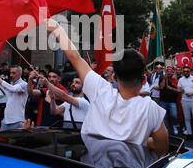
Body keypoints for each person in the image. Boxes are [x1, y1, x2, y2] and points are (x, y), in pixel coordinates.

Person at [47, 19, 168, 150]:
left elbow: (74, 57)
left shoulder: (100, 91)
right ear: (144, 80)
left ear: (114, 77)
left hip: (89, 167)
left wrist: (57, 29)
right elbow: (161, 147)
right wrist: (140, 142)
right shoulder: (152, 109)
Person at [0, 66, 28, 131]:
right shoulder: (11, 85)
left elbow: (12, 89)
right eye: (10, 73)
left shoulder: (24, 84)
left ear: (20, 74)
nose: (11, 75)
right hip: (6, 121)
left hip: (17, 121)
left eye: (13, 73)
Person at [177, 66, 193, 140]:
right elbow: (178, 89)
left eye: (187, 71)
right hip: (184, 100)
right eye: (184, 71)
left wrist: (192, 93)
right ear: (182, 72)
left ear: (190, 71)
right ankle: (189, 134)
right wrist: (180, 90)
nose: (185, 72)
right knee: (187, 118)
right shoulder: (181, 79)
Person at [160, 66, 179, 135]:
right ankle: (166, 129)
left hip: (172, 101)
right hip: (163, 100)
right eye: (167, 71)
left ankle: (174, 125)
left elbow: (178, 90)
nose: (169, 73)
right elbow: (161, 87)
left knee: (174, 115)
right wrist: (164, 79)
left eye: (170, 72)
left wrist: (171, 88)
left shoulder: (175, 80)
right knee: (164, 116)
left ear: (172, 72)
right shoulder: (162, 78)